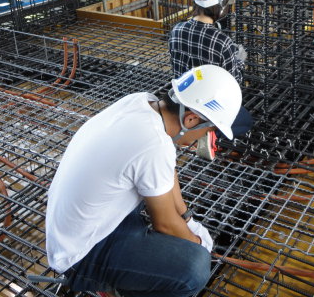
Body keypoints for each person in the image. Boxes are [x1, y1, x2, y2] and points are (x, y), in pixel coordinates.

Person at [45, 65, 242, 297]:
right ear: (191, 119)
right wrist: (198, 243)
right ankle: (116, 286)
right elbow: (165, 224)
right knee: (194, 269)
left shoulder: (141, 102)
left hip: (78, 226)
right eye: (209, 130)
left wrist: (187, 218)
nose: (207, 137)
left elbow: (167, 174)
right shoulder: (154, 144)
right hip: (81, 253)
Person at [169, 0, 252, 152]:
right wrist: (238, 62)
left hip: (180, 102)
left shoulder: (176, 30)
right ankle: (206, 134)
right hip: (206, 109)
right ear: (221, 4)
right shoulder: (223, 42)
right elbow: (234, 86)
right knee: (246, 121)